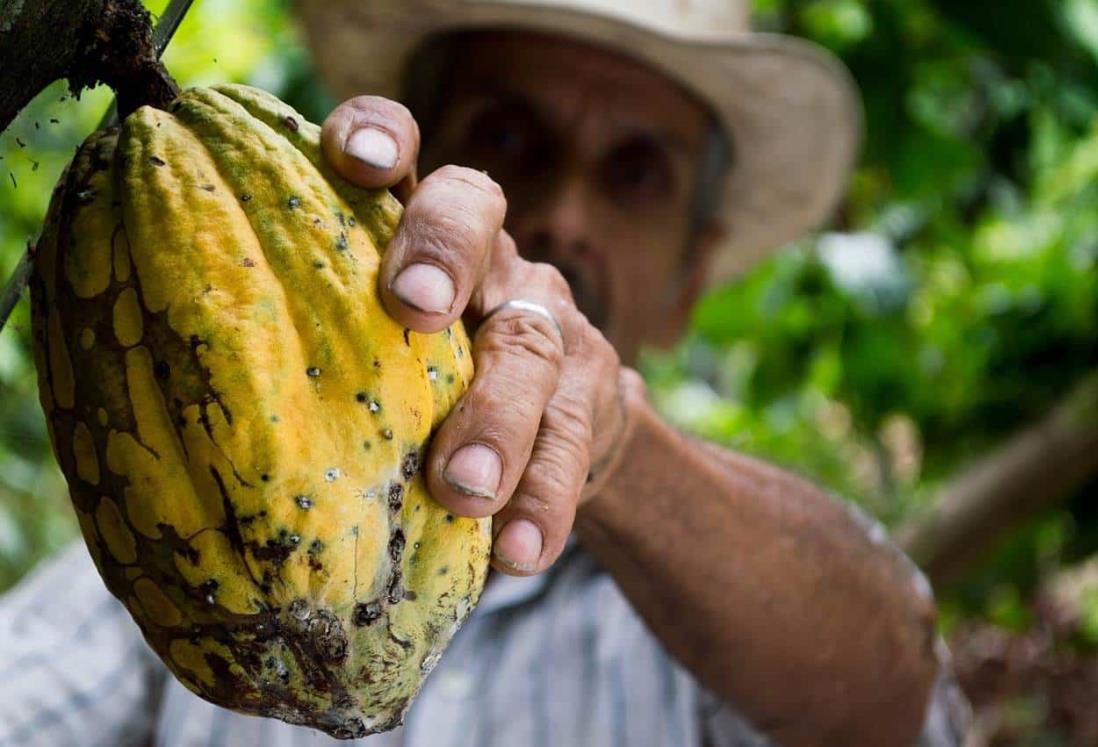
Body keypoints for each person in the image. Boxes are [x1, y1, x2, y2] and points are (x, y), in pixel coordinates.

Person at [0, 1, 971, 745]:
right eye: (509, 139)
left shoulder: (726, 620)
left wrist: (614, 449)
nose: (564, 216)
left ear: (691, 278)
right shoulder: (170, 521)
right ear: (394, 167)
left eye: (636, 172)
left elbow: (892, 688)